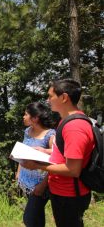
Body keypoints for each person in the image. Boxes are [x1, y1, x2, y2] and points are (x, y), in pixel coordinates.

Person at [21, 79, 95, 227]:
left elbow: (73, 170)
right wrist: (46, 151)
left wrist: (37, 165)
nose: (48, 101)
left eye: (50, 96)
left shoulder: (74, 127)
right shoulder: (66, 121)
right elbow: (65, 154)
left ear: (64, 97)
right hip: (64, 192)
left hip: (69, 194)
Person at [16, 102, 56, 227]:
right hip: (26, 181)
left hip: (40, 184)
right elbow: (23, 151)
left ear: (35, 118)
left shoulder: (50, 135)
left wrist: (42, 185)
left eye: (26, 114)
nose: (23, 116)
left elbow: (56, 162)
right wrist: (18, 172)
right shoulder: (28, 131)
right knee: (37, 216)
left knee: (29, 218)